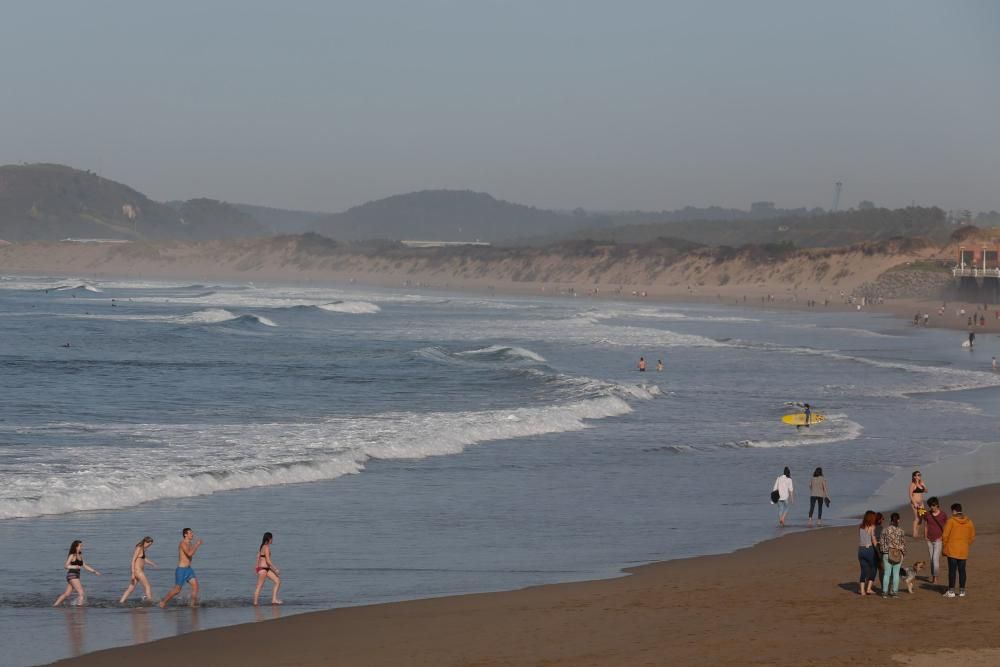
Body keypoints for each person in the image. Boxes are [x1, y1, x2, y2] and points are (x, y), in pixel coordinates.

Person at [159, 528, 203, 608]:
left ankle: (192, 604)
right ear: (185, 534)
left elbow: (190, 554)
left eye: (192, 533)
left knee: (195, 586)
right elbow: (189, 554)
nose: (192, 534)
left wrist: (195, 545)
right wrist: (197, 545)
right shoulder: (182, 543)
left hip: (189, 569)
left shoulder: (190, 543)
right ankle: (163, 602)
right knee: (177, 590)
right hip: (181, 570)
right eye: (190, 533)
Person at [941, 503, 976, 598]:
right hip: (963, 549)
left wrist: (944, 547)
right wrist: (966, 543)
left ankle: (951, 591)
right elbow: (972, 537)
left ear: (954, 511)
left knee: (952, 571)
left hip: (952, 549)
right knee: (962, 571)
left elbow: (945, 536)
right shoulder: (969, 522)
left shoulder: (951, 521)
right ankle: (962, 591)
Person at [53, 540, 101, 606]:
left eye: (82, 546)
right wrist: (74, 566)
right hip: (72, 575)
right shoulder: (72, 555)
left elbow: (84, 565)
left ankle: (54, 605)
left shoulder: (80, 555)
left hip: (75, 576)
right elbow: (66, 566)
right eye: (80, 546)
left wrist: (94, 571)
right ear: (76, 547)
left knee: (67, 594)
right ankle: (79, 608)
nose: (82, 547)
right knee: (81, 593)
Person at [119, 536, 158, 604]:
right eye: (149, 544)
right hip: (138, 571)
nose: (149, 546)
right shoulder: (139, 548)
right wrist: (133, 573)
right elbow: (133, 560)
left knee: (131, 588)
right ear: (145, 542)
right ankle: (150, 602)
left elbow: (143, 559)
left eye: (151, 545)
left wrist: (152, 564)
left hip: (139, 571)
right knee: (147, 586)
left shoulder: (143, 549)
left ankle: (121, 601)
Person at [921, 497, 948, 586]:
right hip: (929, 539)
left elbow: (946, 528)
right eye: (930, 506)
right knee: (931, 559)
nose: (932, 507)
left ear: (937, 504)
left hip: (938, 540)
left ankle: (935, 578)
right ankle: (933, 577)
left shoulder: (943, 515)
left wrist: (941, 537)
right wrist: (925, 536)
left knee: (935, 559)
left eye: (933, 505)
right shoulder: (927, 514)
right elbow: (925, 525)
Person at [879, 512, 906, 598]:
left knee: (886, 574)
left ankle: (884, 592)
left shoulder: (885, 530)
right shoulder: (901, 531)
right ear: (898, 520)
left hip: (887, 553)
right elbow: (903, 544)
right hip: (898, 554)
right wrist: (903, 553)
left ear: (891, 519)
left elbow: (881, 543)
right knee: (896, 574)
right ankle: (894, 592)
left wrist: (884, 551)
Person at [253, 532, 283, 606]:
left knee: (277, 581)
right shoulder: (266, 547)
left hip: (265, 568)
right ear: (269, 539)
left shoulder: (262, 546)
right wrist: (275, 569)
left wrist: (256, 566)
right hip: (263, 569)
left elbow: (258, 556)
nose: (272, 540)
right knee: (259, 586)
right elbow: (268, 561)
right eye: (272, 538)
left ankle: (274, 600)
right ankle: (255, 603)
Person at [858, 511, 879, 596]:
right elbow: (873, 540)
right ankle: (869, 588)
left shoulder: (860, 526)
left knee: (863, 570)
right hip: (869, 549)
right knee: (874, 568)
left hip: (861, 550)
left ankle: (862, 591)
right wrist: (878, 548)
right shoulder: (872, 527)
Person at [908, 471, 927, 538]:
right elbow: (910, 495)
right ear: (914, 476)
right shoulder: (912, 484)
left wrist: (923, 485)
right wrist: (914, 503)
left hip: (921, 504)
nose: (919, 476)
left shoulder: (920, 484)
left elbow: (926, 491)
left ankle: (917, 531)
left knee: (922, 518)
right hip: (915, 503)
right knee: (917, 518)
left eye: (920, 475)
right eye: (918, 475)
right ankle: (914, 533)